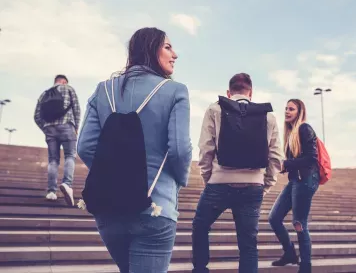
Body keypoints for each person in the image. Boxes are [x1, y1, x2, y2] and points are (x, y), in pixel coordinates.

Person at [77, 27, 192, 273]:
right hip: (155, 206)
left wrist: (115, 172)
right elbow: (180, 150)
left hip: (108, 208)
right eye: (168, 47)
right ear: (151, 49)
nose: (175, 54)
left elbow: (85, 146)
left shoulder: (103, 90)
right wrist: (179, 181)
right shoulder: (175, 91)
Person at [192, 73, 283, 273]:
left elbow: (205, 149)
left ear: (228, 92)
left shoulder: (215, 109)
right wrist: (264, 185)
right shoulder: (268, 116)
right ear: (250, 93)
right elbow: (276, 157)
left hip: (219, 184)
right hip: (253, 187)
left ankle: (200, 269)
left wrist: (210, 179)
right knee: (248, 244)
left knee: (200, 226)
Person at [269, 99, 320, 273]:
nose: (287, 111)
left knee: (299, 223)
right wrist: (285, 167)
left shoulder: (304, 129)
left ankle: (306, 266)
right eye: (286, 108)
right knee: (274, 217)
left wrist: (287, 164)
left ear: (299, 112)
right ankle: (290, 253)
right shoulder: (291, 133)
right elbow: (296, 161)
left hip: (306, 180)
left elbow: (312, 158)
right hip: (295, 180)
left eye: (291, 109)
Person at [34, 74, 81, 206]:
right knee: (70, 156)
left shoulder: (45, 94)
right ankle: (67, 184)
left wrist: (45, 128)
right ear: (64, 82)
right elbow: (76, 108)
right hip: (67, 126)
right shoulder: (69, 89)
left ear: (55, 82)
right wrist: (76, 126)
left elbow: (37, 115)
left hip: (50, 129)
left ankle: (51, 191)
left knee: (53, 160)